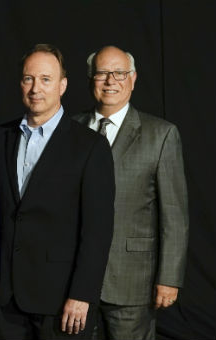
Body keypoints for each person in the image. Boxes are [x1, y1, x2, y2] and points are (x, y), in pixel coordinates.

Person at [0, 44, 115, 339]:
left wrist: (82, 294)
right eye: (28, 79)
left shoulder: (90, 147)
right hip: (6, 298)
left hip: (61, 301)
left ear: (62, 85)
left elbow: (98, 231)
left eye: (46, 79)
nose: (36, 88)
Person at [73, 46, 189, 340]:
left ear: (133, 78)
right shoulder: (69, 129)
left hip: (131, 280)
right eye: (101, 73)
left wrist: (169, 279)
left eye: (120, 73)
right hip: (73, 280)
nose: (110, 80)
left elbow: (174, 216)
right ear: (90, 79)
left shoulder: (161, 135)